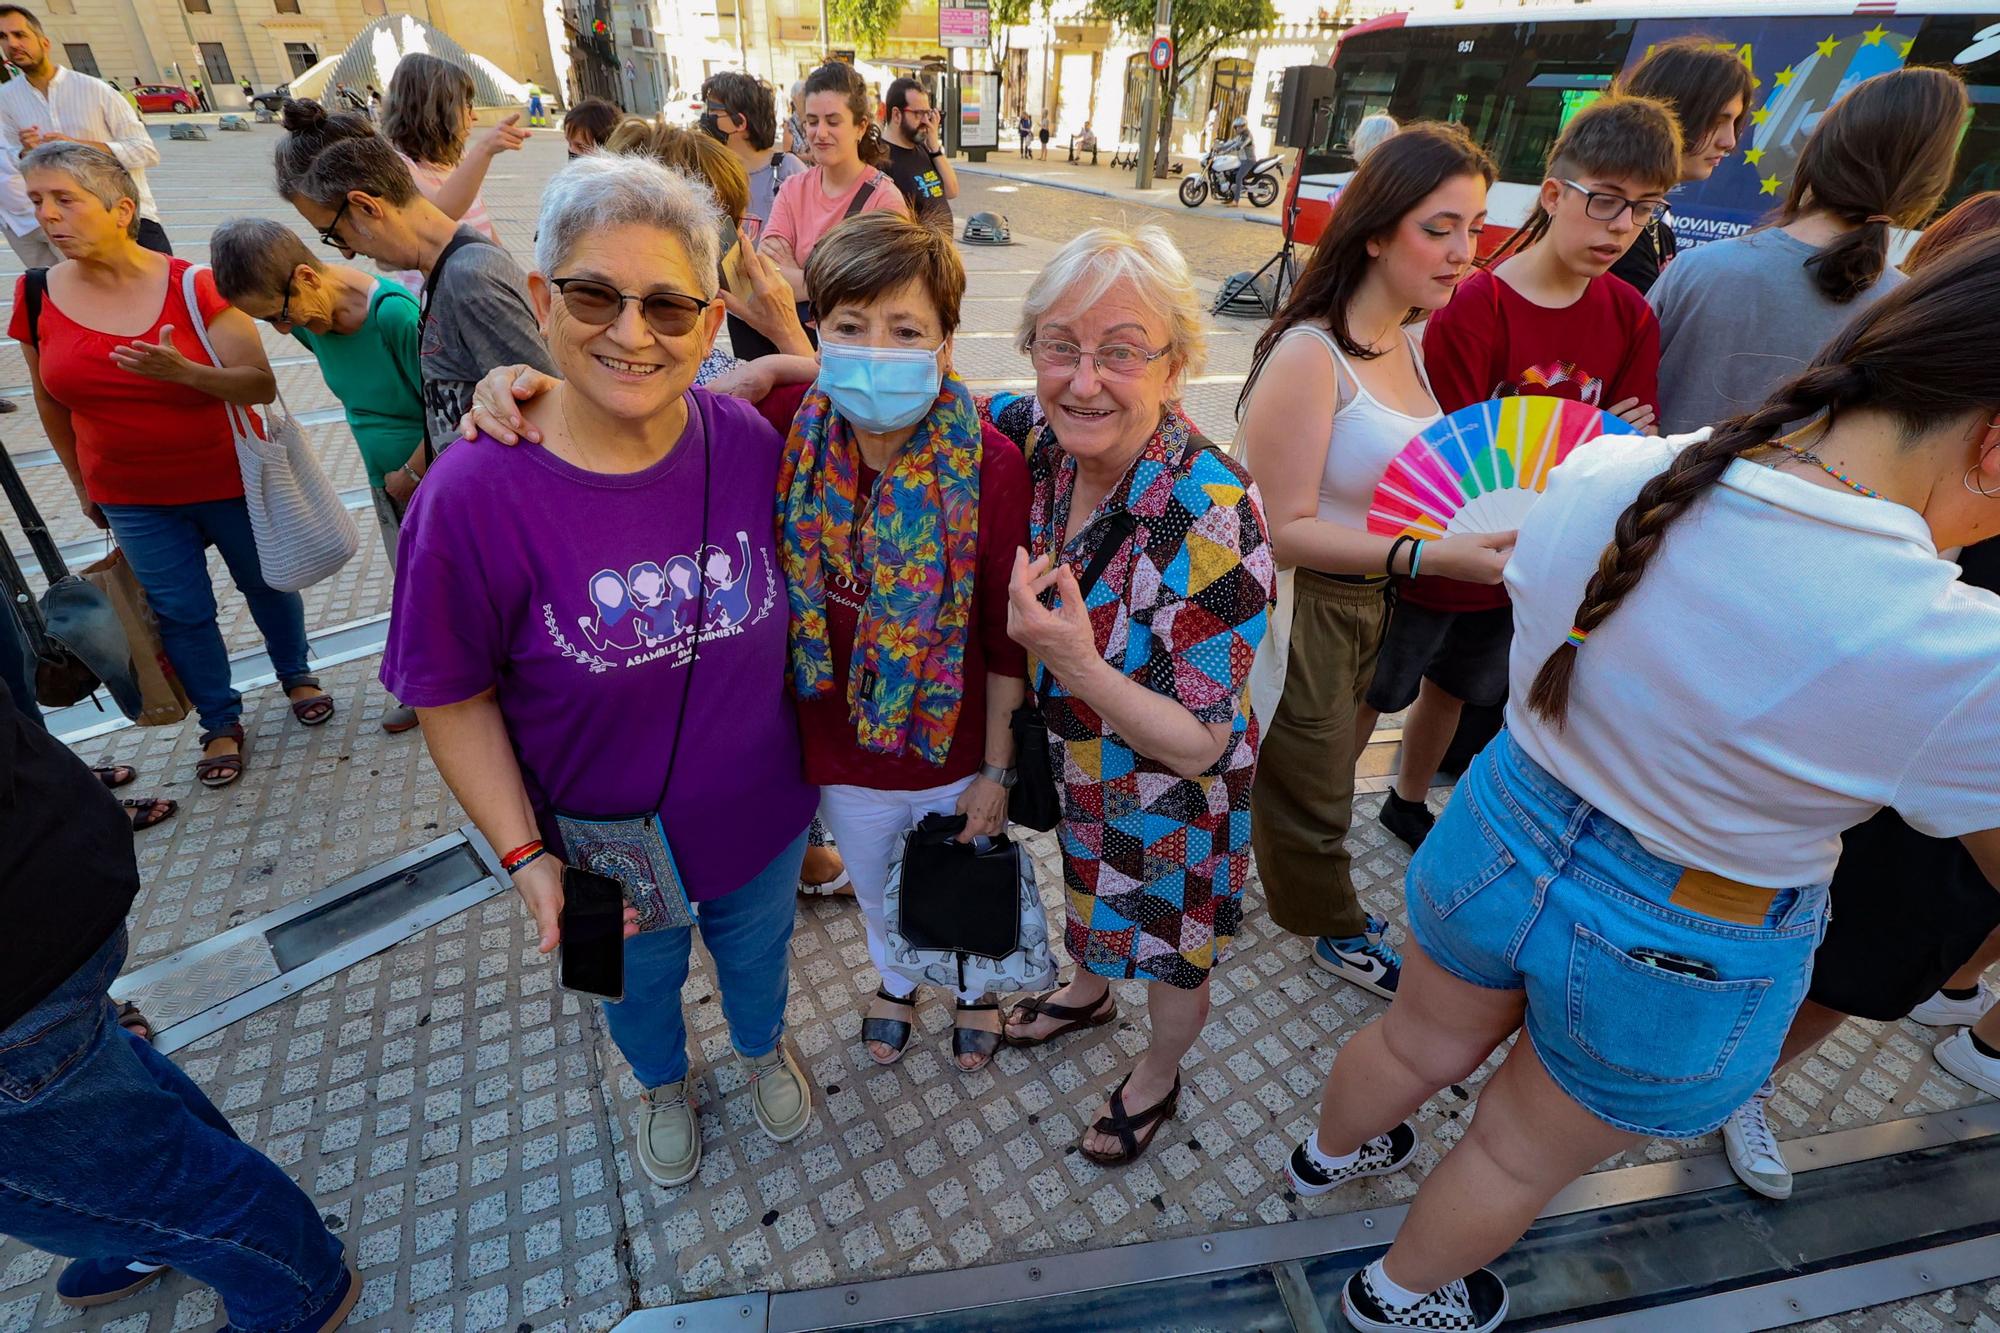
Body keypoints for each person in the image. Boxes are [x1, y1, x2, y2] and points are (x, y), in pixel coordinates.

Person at [1288, 232, 2000, 1333]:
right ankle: (1391, 1300)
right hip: (1683, 938)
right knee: (1516, 1148)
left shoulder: (1607, 471)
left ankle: (1322, 1158)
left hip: (1498, 822)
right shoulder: (1957, 649)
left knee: (1408, 1043)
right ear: (1992, 445)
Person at [381, 153, 819, 1191]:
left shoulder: (748, 439)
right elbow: (449, 694)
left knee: (759, 963)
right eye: (593, 295)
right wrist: (525, 857)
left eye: (669, 307)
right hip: (586, 852)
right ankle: (660, 1083)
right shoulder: (472, 491)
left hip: (763, 818)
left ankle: (760, 1048)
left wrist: (783, 349)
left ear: (711, 324)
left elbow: (899, 399)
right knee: (622, 988)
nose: (631, 333)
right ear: (540, 300)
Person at [1716, 198, 2000, 1200]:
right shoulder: (1863, 504)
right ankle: (1700, 1070)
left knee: (1866, 956)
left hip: (1947, 759)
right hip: (1848, 740)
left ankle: (1736, 1082)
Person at [999, 226, 1275, 1167]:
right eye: (1060, 345)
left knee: (1168, 948)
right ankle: (1087, 989)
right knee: (1085, 888)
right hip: (1076, 767)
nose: (1083, 380)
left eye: (1121, 352)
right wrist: (780, 364)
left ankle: (1156, 1070)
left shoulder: (1214, 514)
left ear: (1177, 367)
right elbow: (931, 402)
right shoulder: (1042, 442)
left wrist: (1072, 661)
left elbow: (1199, 742)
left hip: (1168, 798)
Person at [1241, 124, 1510, 1003]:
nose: (1464, 253)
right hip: (1302, 602)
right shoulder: (1308, 354)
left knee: (1312, 769)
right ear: (1374, 230)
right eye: (1440, 228)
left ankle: (1249, 869)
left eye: (1473, 228)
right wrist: (1431, 553)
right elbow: (1278, 529)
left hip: (1376, 598)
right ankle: (1331, 925)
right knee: (1316, 786)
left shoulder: (1409, 341)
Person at [1368, 93, 1674, 859]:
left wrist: (1607, 444)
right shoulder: (1476, 306)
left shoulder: (1633, 317)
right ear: (1554, 193)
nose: (1620, 226)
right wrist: (1596, 440)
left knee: (1462, 690)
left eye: (1643, 209)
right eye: (1602, 200)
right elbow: (1460, 449)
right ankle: (1308, 834)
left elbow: (1637, 445)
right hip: (1437, 555)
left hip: (1537, 563)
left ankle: (1405, 799)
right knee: (1372, 695)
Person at [0, 669, 359, 1320]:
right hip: (46, 864)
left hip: (20, 930)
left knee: (93, 1169)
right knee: (88, 1075)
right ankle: (164, 1226)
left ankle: (292, 1283)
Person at [763, 212, 1027, 1071]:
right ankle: (897, 978)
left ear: (946, 345)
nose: (876, 350)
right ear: (818, 333)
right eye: (850, 327)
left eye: (905, 329)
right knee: (878, 886)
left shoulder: (991, 465)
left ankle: (978, 989)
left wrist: (994, 770)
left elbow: (1004, 637)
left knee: (963, 876)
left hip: (949, 744)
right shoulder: (784, 432)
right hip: (837, 744)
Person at [13, 143, 332, 789]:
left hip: (231, 480)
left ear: (122, 208)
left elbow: (259, 384)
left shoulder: (195, 283)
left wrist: (185, 373)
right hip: (132, 494)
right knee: (181, 611)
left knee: (269, 586)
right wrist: (80, 482)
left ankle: (296, 672)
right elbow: (49, 400)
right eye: (37, 201)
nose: (47, 216)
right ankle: (220, 719)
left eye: (64, 199)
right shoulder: (37, 291)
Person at [1650, 67, 1968, 436]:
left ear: (1818, 154)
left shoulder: (1697, 270)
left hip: (1660, 490)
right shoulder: (1911, 314)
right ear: (1930, 184)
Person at [210, 217, 428, 735]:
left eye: (280, 314)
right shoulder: (312, 322)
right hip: (387, 482)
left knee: (439, 589)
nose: (284, 329)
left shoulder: (393, 314)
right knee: (414, 589)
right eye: (268, 322)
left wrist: (411, 473)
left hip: (428, 481)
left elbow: (445, 404)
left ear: (307, 275)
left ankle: (449, 692)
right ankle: (433, 691)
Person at [275, 98, 555, 452]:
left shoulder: (470, 281)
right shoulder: (444, 270)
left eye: (333, 234)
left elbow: (548, 420)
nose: (345, 253)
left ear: (366, 207)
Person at [757, 62, 905, 356]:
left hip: (853, 355)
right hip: (788, 350)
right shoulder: (792, 188)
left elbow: (875, 294)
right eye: (812, 121)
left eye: (833, 121)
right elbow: (766, 271)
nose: (820, 133)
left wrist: (797, 275)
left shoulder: (884, 200)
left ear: (860, 127)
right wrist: (833, 281)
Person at [0, 5, 170, 255]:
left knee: (167, 290)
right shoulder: (7, 99)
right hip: (76, 231)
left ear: (44, 42)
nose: (12, 43)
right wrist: (26, 153)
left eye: (20, 35)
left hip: (129, 220)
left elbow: (146, 151)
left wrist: (80, 147)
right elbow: (13, 161)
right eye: (3, 37)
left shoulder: (95, 90)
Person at [1604, 38, 1754, 296]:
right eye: (1717, 121)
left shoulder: (1656, 224)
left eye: (1735, 122)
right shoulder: (1613, 228)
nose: (1729, 142)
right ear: (1672, 115)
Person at [378, 53, 527, 287]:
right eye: (466, 106)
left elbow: (484, 225)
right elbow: (440, 212)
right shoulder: (397, 165)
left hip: (479, 283)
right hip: (444, 299)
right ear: (434, 110)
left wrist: (511, 270)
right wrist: (485, 148)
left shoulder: (456, 160)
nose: (474, 116)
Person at [699, 70, 802, 239]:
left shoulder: (788, 171)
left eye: (713, 112)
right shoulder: (710, 172)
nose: (706, 118)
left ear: (740, 122)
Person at [881, 76, 957, 233]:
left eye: (927, 113)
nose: (926, 121)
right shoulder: (880, 158)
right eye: (918, 114)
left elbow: (952, 190)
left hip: (941, 253)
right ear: (896, 115)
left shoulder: (923, 148)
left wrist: (935, 148)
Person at [1215, 114, 1255, 204]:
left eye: (1237, 127)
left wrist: (1224, 152)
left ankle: (1236, 201)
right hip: (1241, 160)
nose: (1236, 129)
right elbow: (1231, 142)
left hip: (1248, 161)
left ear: (1243, 126)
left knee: (1238, 177)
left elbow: (1237, 146)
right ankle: (1229, 195)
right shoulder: (1240, 135)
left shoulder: (1247, 136)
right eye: (1235, 127)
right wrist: (1219, 148)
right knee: (1229, 175)